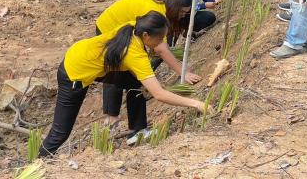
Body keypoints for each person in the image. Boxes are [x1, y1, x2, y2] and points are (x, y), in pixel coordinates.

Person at [39, 11, 210, 156]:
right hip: (74, 73)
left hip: (84, 54)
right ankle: (39, 160)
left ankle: (138, 130)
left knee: (137, 82)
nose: (160, 44)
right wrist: (196, 103)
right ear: (146, 35)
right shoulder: (134, 55)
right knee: (60, 132)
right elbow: (159, 94)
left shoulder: (133, 26)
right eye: (159, 40)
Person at [96, 0, 201, 134]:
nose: (183, 15)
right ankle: (113, 118)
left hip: (126, 31)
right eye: (182, 11)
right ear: (175, 6)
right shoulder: (155, 11)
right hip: (109, 27)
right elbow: (161, 49)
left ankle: (136, 129)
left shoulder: (163, 4)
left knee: (134, 81)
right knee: (117, 72)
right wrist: (184, 73)